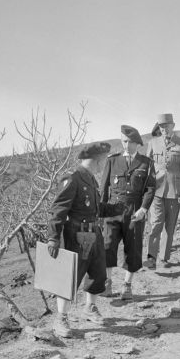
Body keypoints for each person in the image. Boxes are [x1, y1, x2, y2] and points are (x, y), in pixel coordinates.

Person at [46, 142, 125, 338]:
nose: (103, 165)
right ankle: (61, 318)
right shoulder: (72, 179)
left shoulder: (90, 180)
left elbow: (96, 209)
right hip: (76, 236)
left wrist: (117, 208)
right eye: (102, 161)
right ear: (95, 160)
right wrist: (53, 238)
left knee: (97, 274)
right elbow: (58, 211)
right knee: (70, 277)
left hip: (94, 233)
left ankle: (90, 308)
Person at [99, 125, 156, 300]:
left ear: (137, 143)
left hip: (134, 211)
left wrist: (143, 209)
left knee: (133, 249)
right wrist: (100, 214)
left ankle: (127, 285)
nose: (126, 145)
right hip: (113, 210)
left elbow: (150, 188)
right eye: (124, 141)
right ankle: (107, 284)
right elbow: (103, 189)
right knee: (108, 247)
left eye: (130, 142)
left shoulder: (146, 163)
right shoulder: (112, 161)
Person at [144, 113, 180, 269]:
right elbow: (147, 168)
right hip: (156, 190)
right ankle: (151, 257)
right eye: (161, 126)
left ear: (173, 126)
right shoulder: (153, 143)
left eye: (166, 126)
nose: (163, 129)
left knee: (169, 226)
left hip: (175, 191)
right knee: (156, 222)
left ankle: (164, 257)